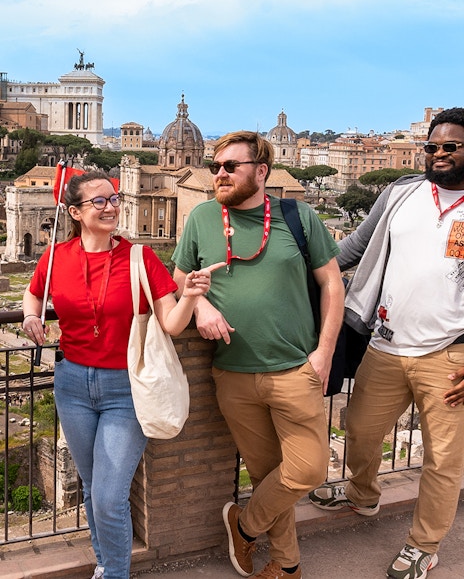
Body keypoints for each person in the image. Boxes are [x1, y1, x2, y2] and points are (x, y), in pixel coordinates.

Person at [22, 171, 222, 579]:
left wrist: (192, 296)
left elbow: (169, 322)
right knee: (94, 488)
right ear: (75, 212)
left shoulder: (140, 258)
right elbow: (34, 291)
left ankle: (115, 572)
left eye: (113, 198)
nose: (111, 206)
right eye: (99, 201)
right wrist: (29, 314)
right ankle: (105, 564)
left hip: (125, 389)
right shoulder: (56, 256)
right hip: (72, 384)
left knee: (110, 497)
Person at [172, 131, 345, 579]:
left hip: (295, 369)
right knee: (269, 473)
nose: (220, 174)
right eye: (215, 167)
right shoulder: (203, 218)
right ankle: (286, 566)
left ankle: (243, 525)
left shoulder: (299, 216)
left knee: (308, 470)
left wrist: (324, 353)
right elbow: (178, 279)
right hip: (232, 374)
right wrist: (203, 305)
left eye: (231, 166)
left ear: (261, 171)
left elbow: (332, 284)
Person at [309, 107, 464, 579]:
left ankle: (424, 545)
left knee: (443, 459)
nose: (437, 154)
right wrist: (289, 273)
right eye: (431, 146)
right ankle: (362, 494)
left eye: (449, 146)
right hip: (386, 343)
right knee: (359, 430)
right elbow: (351, 248)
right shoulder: (400, 193)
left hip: (452, 354)